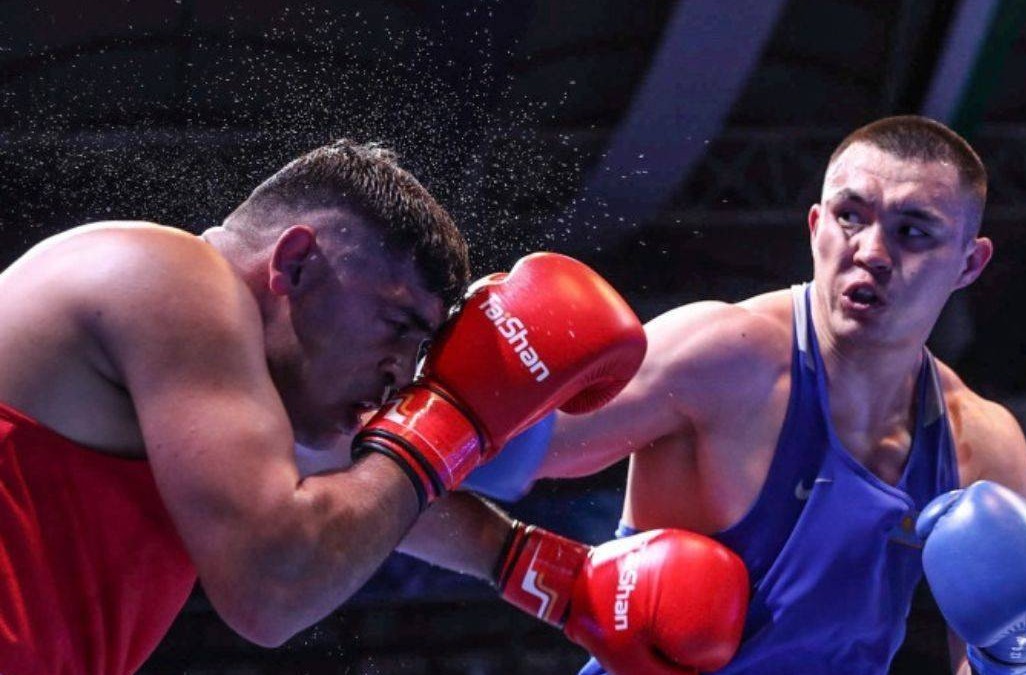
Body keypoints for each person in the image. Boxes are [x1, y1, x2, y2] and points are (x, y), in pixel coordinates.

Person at [389, 116, 1026, 674]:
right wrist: (538, 570)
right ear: (815, 227)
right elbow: (425, 460)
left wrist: (1017, 663)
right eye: (850, 216)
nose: (872, 251)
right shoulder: (722, 358)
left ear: (969, 261)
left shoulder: (980, 444)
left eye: (912, 231)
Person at [0, 140, 654, 675]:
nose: (400, 376)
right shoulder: (170, 273)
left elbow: (365, 493)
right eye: (397, 325)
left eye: (419, 354)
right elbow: (273, 587)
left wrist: (558, 578)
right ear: (296, 262)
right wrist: (452, 418)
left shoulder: (217, 403)